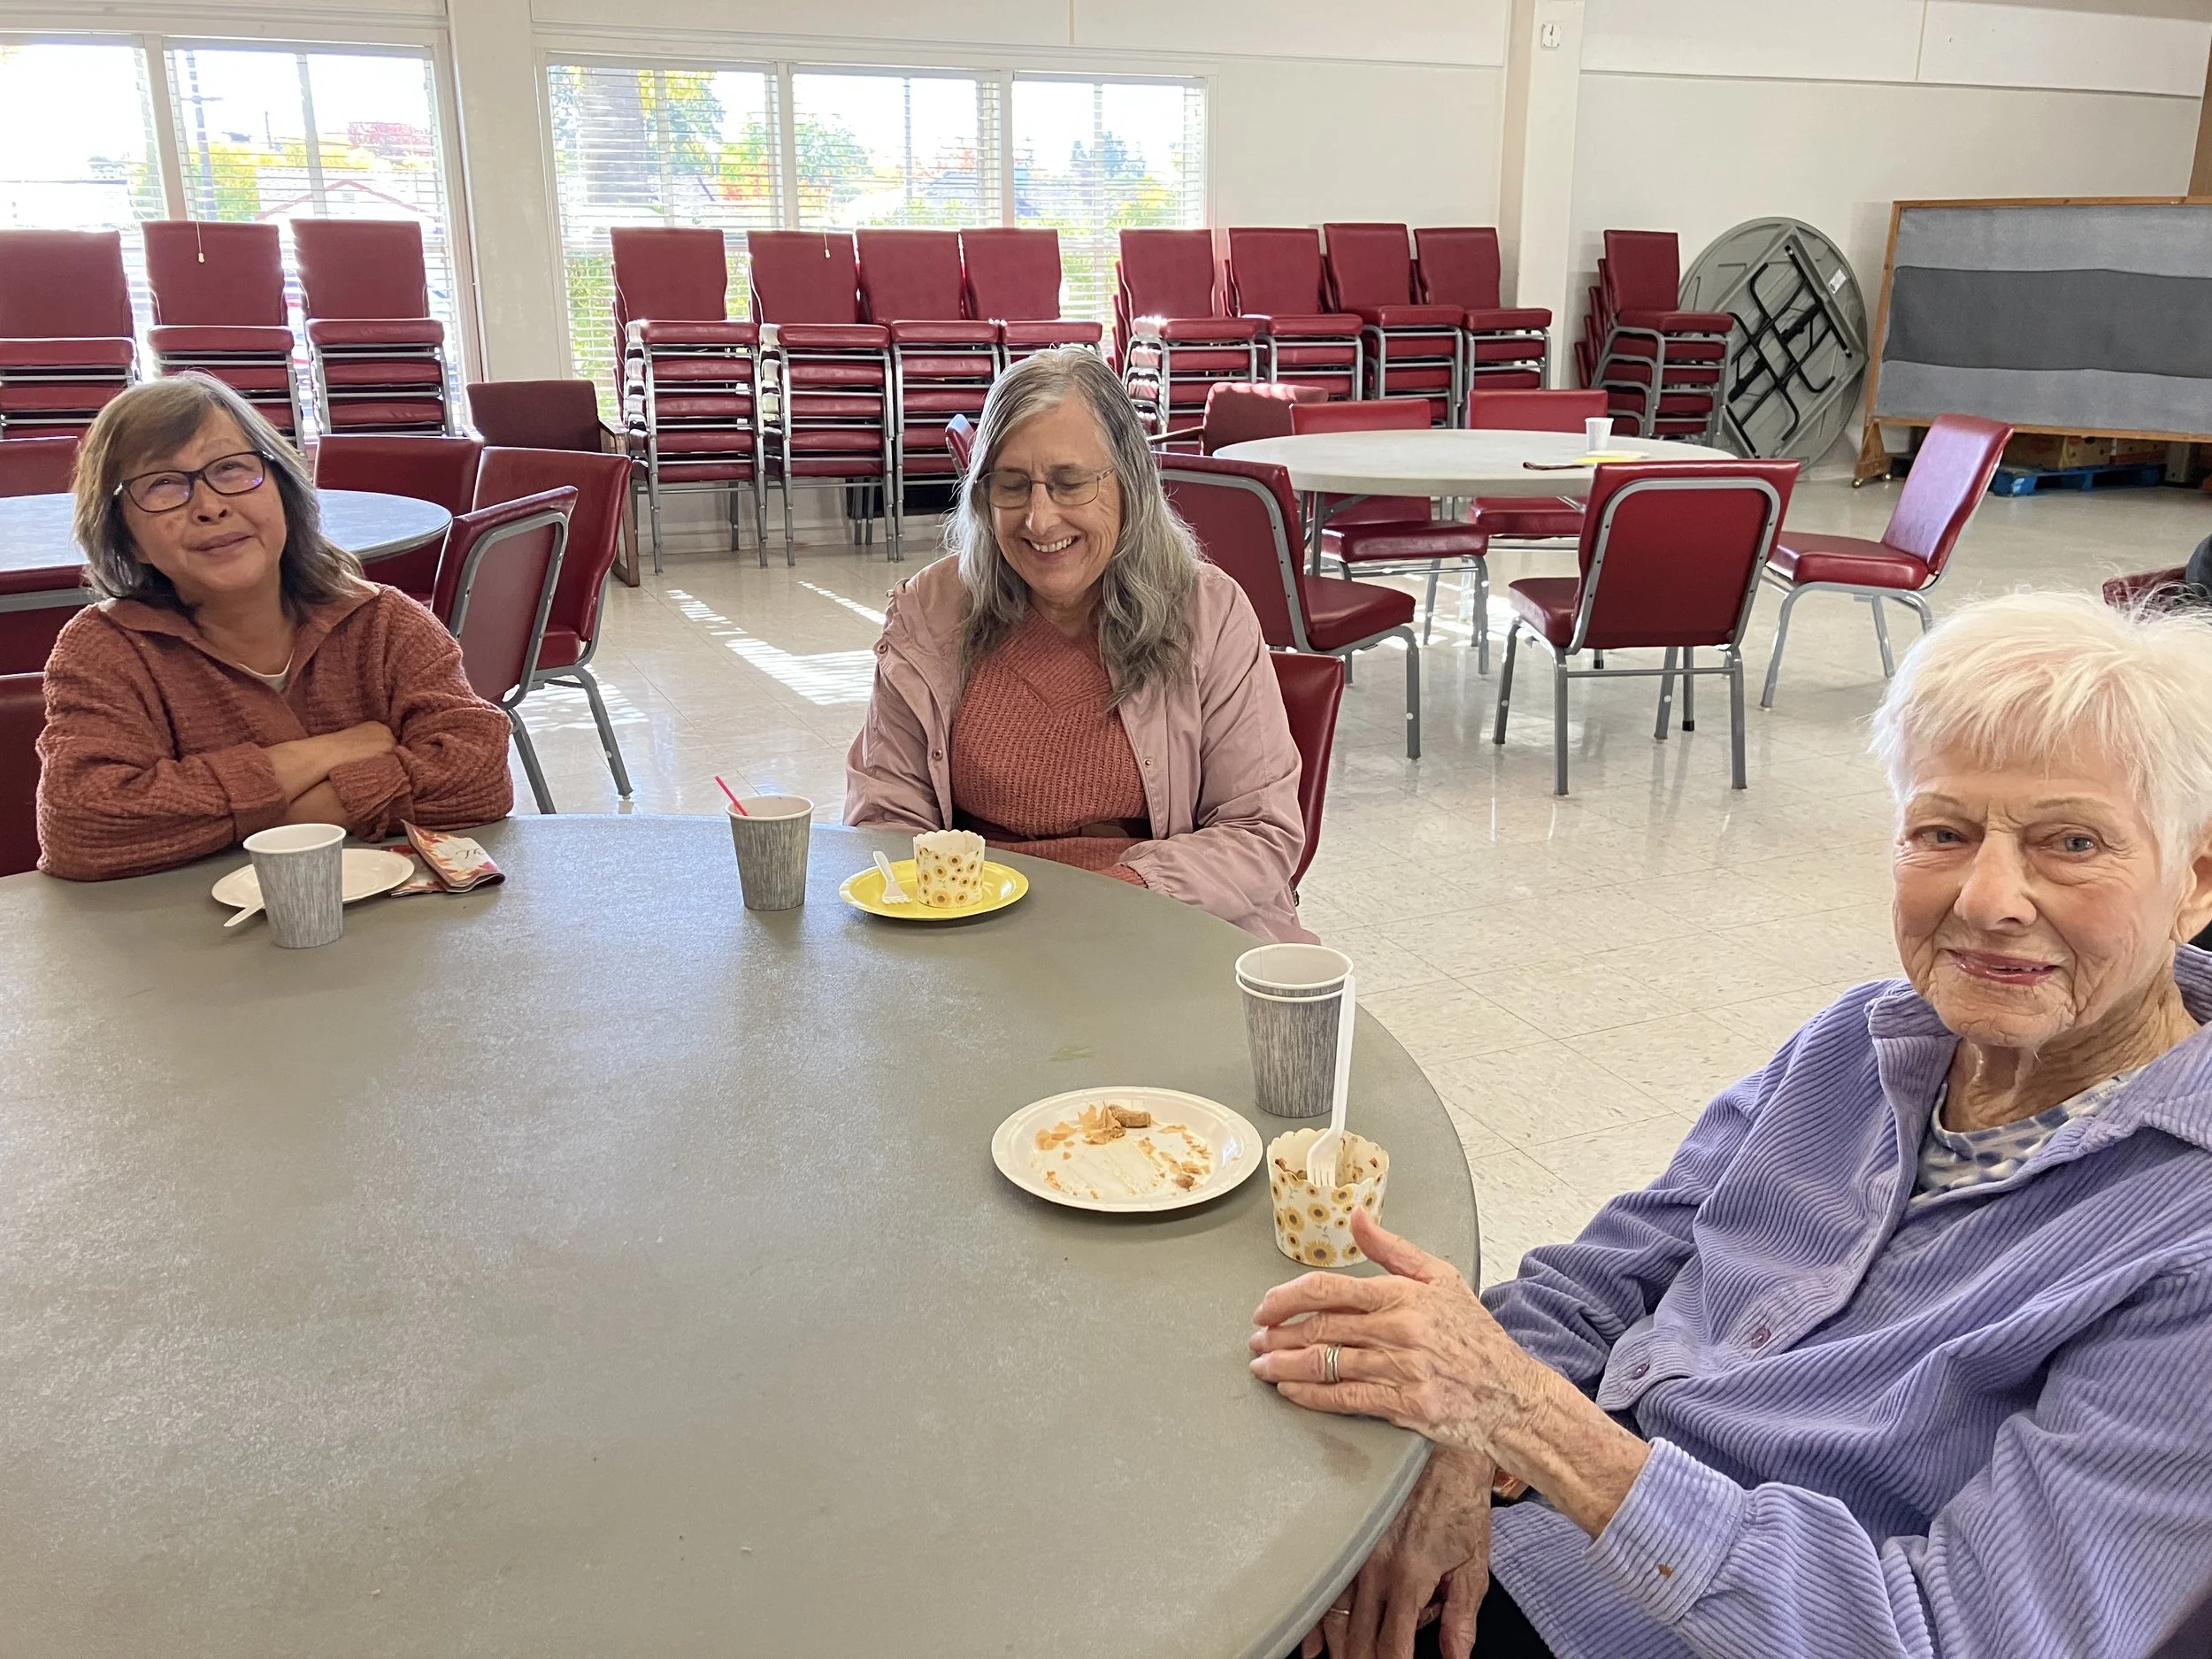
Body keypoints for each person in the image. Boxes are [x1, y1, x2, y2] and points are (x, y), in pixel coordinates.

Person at [1248, 591, 2212, 1658]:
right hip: (1529, 1515)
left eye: (2070, 842)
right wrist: (1459, 1449)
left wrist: (1531, 1425)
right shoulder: (1858, 1040)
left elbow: (1961, 1637)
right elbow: (1609, 1269)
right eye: (1941, 832)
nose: (1987, 900)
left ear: (2196, 880)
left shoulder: (2187, 1248)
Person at [845, 348, 1310, 941]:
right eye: (1012, 485)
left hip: (1165, 925)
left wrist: (1114, 895)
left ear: (1129, 482)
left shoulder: (1209, 613)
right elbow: (884, 820)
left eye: (1070, 484)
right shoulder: (928, 614)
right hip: (976, 936)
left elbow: (1259, 832)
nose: (1039, 520)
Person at [35, 373, 513, 880]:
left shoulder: (383, 620)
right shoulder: (104, 649)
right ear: (127, 537)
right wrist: (335, 749)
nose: (210, 507)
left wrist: (274, 819)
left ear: (283, 489)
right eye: (163, 485)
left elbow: (480, 777)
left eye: (231, 469)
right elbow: (81, 826)